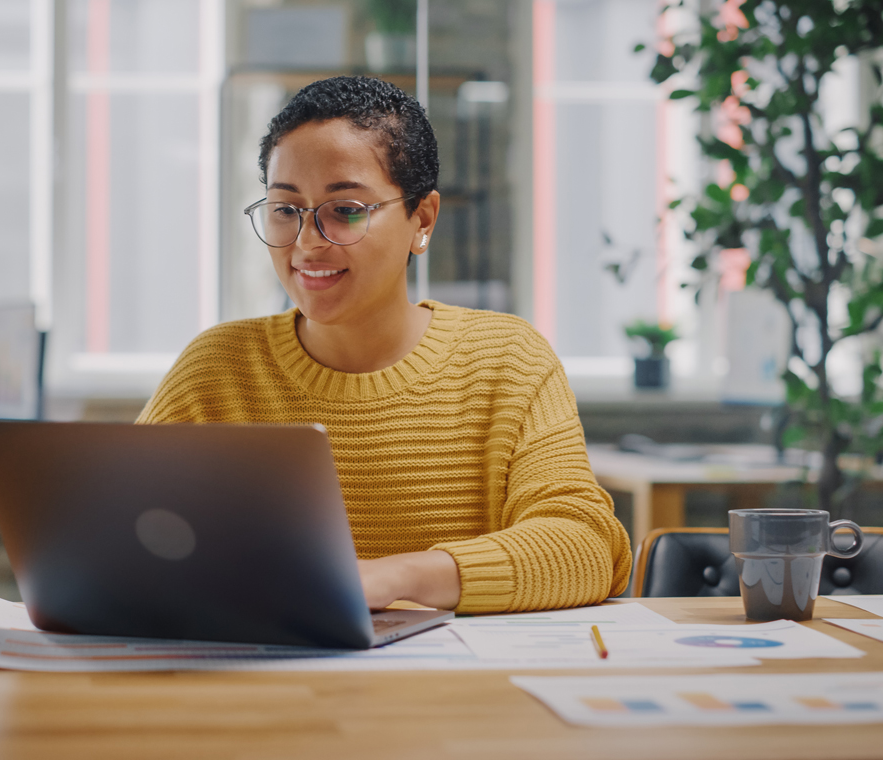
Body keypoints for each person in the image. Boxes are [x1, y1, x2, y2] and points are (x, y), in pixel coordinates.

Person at [138, 76, 632, 613]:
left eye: (345, 210)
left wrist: (394, 578)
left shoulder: (507, 361)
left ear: (421, 220)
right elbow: (115, 533)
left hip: (450, 692)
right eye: (285, 210)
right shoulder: (217, 369)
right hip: (262, 682)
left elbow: (584, 546)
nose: (307, 243)